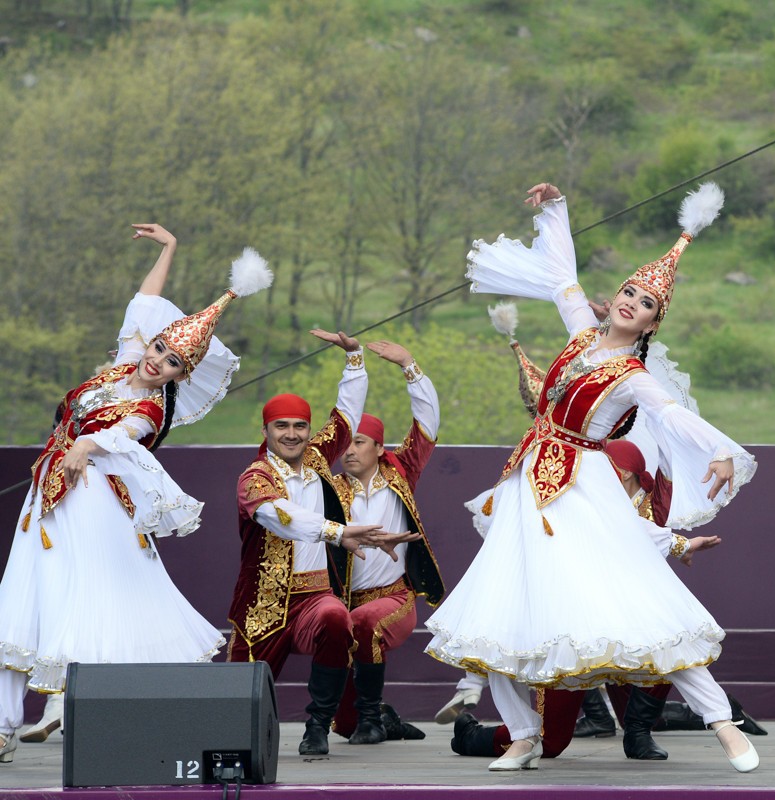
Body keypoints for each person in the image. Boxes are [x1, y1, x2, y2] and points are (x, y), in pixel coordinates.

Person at [424, 180, 759, 773]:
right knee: (502, 608)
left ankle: (722, 722)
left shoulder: (631, 374)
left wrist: (722, 449)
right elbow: (563, 279)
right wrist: (556, 210)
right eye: (629, 291)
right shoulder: (581, 332)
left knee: (639, 598)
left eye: (647, 303)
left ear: (654, 322)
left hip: (581, 485)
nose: (632, 302)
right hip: (527, 485)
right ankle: (523, 735)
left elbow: (672, 414)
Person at [0, 224, 272, 763]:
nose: (158, 361)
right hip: (49, 498)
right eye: (159, 346)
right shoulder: (123, 364)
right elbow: (143, 302)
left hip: (94, 504)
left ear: (180, 376)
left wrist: (86, 444)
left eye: (172, 362)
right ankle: (5, 725)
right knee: (21, 605)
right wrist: (169, 249)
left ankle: (98, 721)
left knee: (92, 602)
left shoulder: (152, 408)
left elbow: (123, 435)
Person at [450, 437, 723, 762]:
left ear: (619, 475)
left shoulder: (649, 506)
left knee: (668, 642)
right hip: (574, 628)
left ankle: (639, 732)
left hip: (627, 628)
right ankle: (469, 736)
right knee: (551, 742)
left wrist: (681, 543)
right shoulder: (574, 503)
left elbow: (658, 486)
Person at [225, 337, 421, 757]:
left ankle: (317, 726)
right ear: (265, 431)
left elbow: (347, 415)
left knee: (337, 618)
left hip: (315, 596)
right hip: (263, 606)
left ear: (308, 431)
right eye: (282, 426)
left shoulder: (316, 458)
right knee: (234, 713)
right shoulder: (254, 478)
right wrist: (337, 532)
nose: (292, 434)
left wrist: (354, 359)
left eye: (299, 426)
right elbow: (279, 515)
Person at [327, 341, 445, 745]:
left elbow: (427, 424)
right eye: (346, 443)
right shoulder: (327, 488)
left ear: (380, 449)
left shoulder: (400, 475)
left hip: (393, 598)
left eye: (359, 441)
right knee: (341, 726)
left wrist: (410, 365)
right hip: (343, 601)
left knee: (366, 623)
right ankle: (381, 717)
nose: (350, 449)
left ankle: (373, 722)